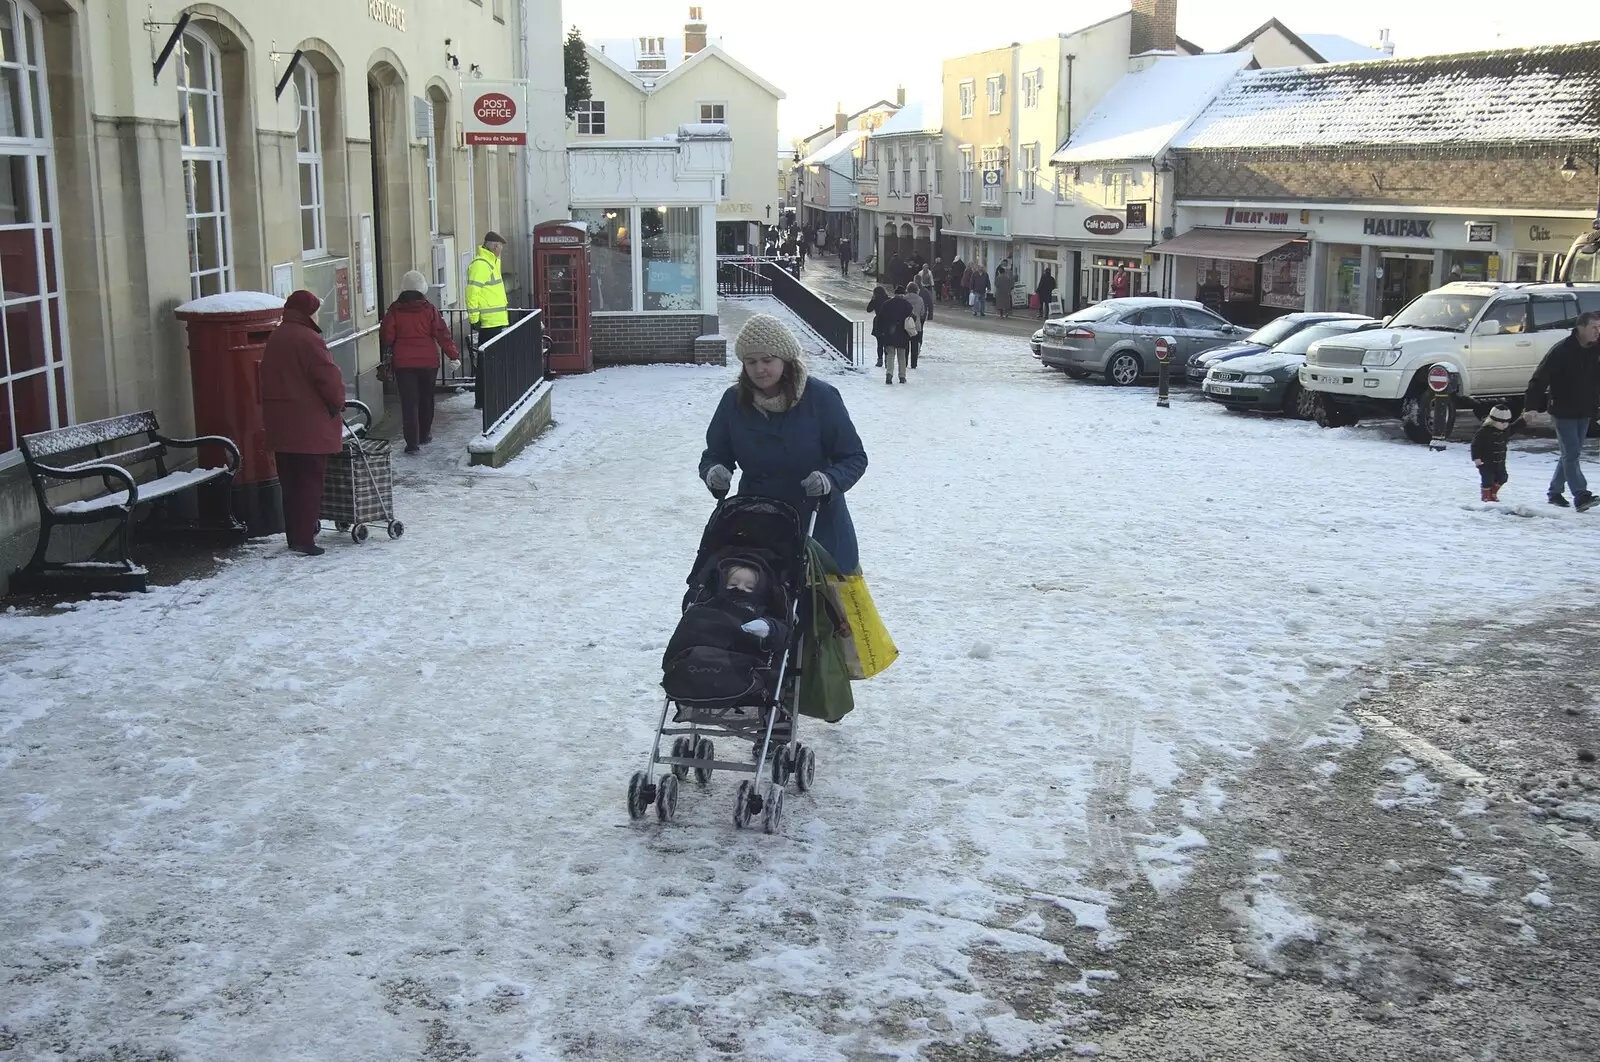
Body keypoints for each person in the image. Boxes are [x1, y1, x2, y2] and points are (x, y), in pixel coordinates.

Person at [700, 312, 869, 574]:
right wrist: (714, 472)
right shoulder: (733, 402)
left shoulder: (821, 398)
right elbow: (715, 454)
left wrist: (830, 480)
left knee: (821, 610)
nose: (759, 369)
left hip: (818, 527)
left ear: (786, 360)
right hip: (758, 527)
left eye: (768, 360)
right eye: (751, 361)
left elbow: (854, 457)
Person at [260, 290, 345, 557]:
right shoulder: (310, 339)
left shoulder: (277, 335)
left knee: (290, 483)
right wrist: (338, 402)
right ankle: (305, 539)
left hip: (281, 423)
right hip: (308, 425)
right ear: (308, 311)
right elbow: (327, 378)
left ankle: (294, 535)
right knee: (310, 482)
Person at [1525, 310, 1600, 510]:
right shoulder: (1561, 351)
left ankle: (1555, 491)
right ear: (1580, 328)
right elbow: (1539, 379)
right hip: (1563, 409)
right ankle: (1581, 495)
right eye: (1594, 327)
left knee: (1569, 453)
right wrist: (1530, 407)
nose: (1597, 331)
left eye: (1599, 328)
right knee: (1572, 453)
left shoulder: (1595, 350)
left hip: (1585, 410)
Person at [381, 269, 460, 454]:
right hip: (428, 363)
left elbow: (388, 336)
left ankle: (412, 444)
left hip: (404, 364)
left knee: (409, 403)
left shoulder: (394, 310)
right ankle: (425, 434)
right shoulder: (429, 308)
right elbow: (442, 333)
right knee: (426, 399)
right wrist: (453, 355)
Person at [466, 230, 509, 411]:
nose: (501, 252)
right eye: (500, 248)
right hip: (488, 323)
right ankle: (482, 400)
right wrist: (474, 319)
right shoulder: (481, 265)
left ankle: (488, 398)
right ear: (494, 247)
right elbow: (472, 293)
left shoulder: (491, 262)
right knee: (486, 364)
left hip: (496, 321)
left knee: (491, 363)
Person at [1470, 405, 1525, 503]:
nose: (1505, 425)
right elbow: (1475, 445)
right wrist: (1476, 458)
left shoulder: (1505, 430)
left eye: (1507, 422)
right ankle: (1486, 496)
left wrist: (1524, 420)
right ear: (1492, 420)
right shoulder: (1484, 432)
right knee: (1488, 479)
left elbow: (1515, 428)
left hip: (1500, 461)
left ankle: (1493, 493)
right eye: (1502, 422)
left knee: (1503, 477)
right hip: (1486, 461)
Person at [876, 285, 918, 384]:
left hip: (889, 333)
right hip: (902, 334)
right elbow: (913, 319)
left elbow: (880, 319)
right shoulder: (907, 305)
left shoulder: (887, 304)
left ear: (895, 294)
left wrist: (881, 331)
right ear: (903, 294)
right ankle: (902, 376)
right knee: (901, 356)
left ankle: (889, 375)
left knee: (890, 355)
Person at [905, 281, 928, 370]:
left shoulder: (904, 298)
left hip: (906, 324)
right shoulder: (920, 299)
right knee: (914, 345)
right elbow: (922, 312)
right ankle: (913, 364)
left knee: (905, 345)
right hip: (916, 325)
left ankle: (905, 362)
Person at [866, 284, 891, 368]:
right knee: (887, 343)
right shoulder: (888, 299)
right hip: (888, 322)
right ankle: (887, 360)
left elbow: (868, 310)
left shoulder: (875, 300)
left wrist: (872, 300)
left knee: (879, 343)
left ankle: (879, 360)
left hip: (878, 322)